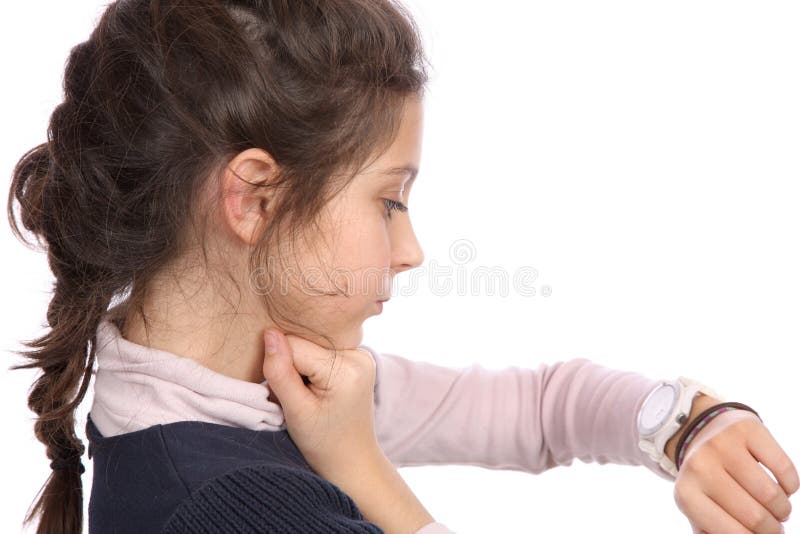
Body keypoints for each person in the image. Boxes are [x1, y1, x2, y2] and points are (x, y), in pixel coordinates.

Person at [6, 1, 797, 533]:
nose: (412, 249)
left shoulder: (260, 384)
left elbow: (536, 408)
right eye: (389, 201)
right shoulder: (232, 506)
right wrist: (362, 468)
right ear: (254, 199)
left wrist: (687, 425)